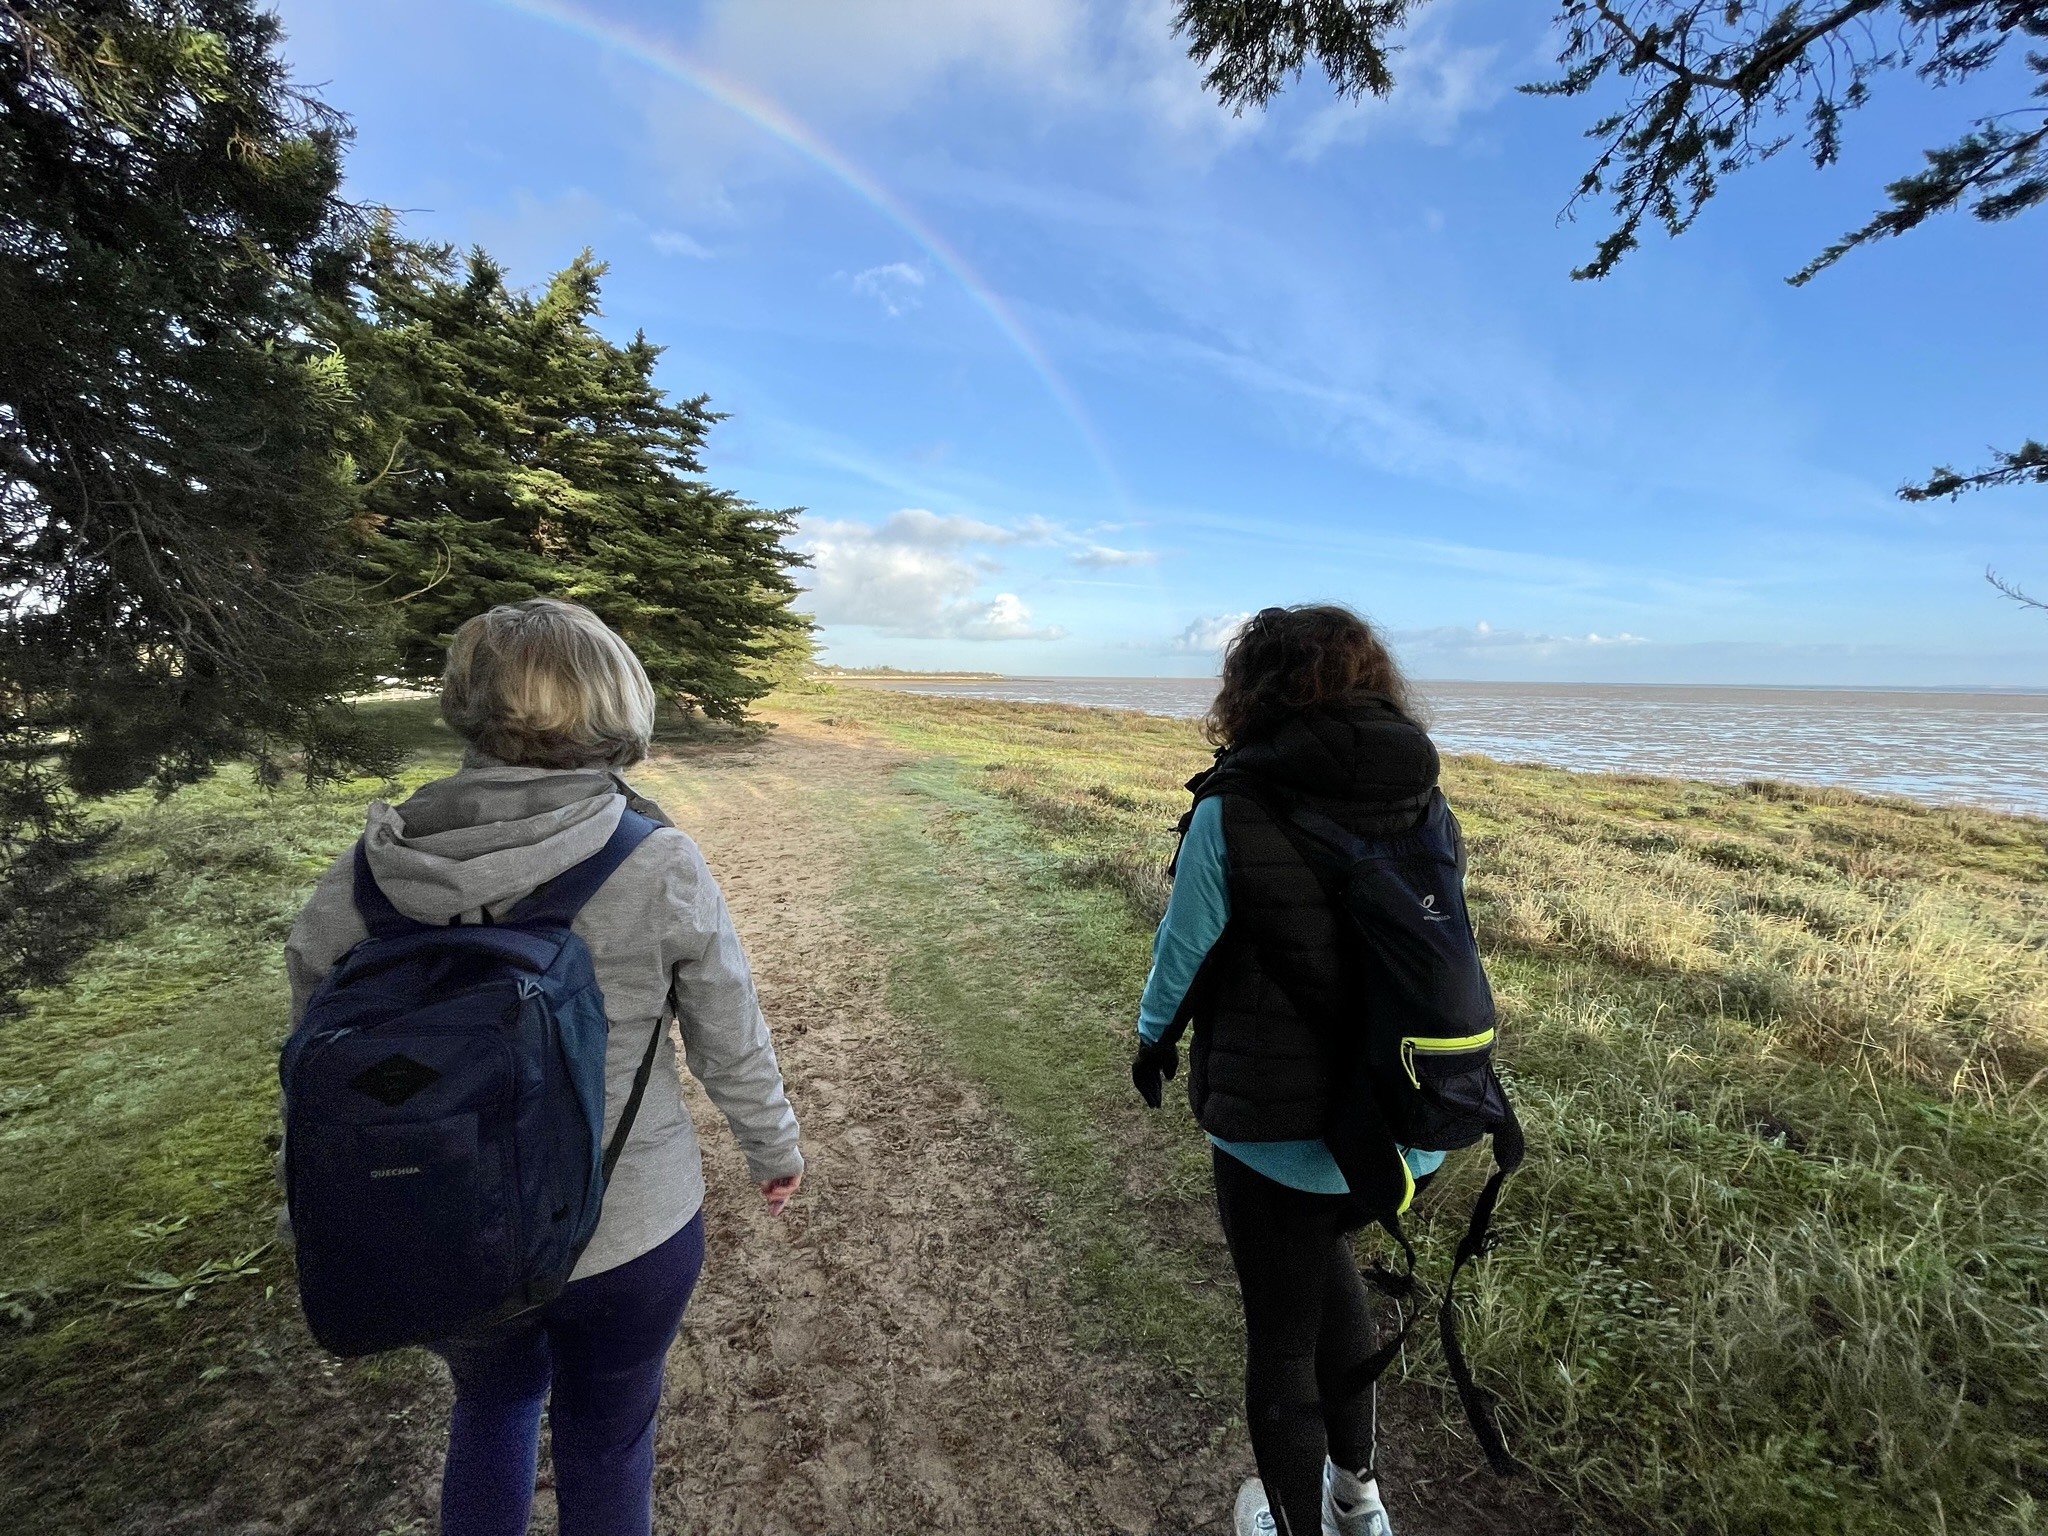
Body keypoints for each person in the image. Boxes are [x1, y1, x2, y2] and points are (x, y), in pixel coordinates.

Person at [285, 599, 804, 1536]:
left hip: (444, 1217)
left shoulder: (364, 871)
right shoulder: (659, 862)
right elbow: (730, 1037)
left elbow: (316, 1068)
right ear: (617, 707)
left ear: (466, 705)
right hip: (629, 1227)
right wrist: (773, 1150)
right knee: (607, 1439)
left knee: (489, 1407)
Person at [1130, 605, 1445, 1536]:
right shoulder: (1425, 793)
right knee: (1333, 1272)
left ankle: (1296, 1528)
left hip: (1278, 1128)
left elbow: (1181, 952)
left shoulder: (1234, 803)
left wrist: (1153, 1042)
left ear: (1251, 690)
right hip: (1400, 1115)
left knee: (1282, 1339)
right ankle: (1360, 1502)